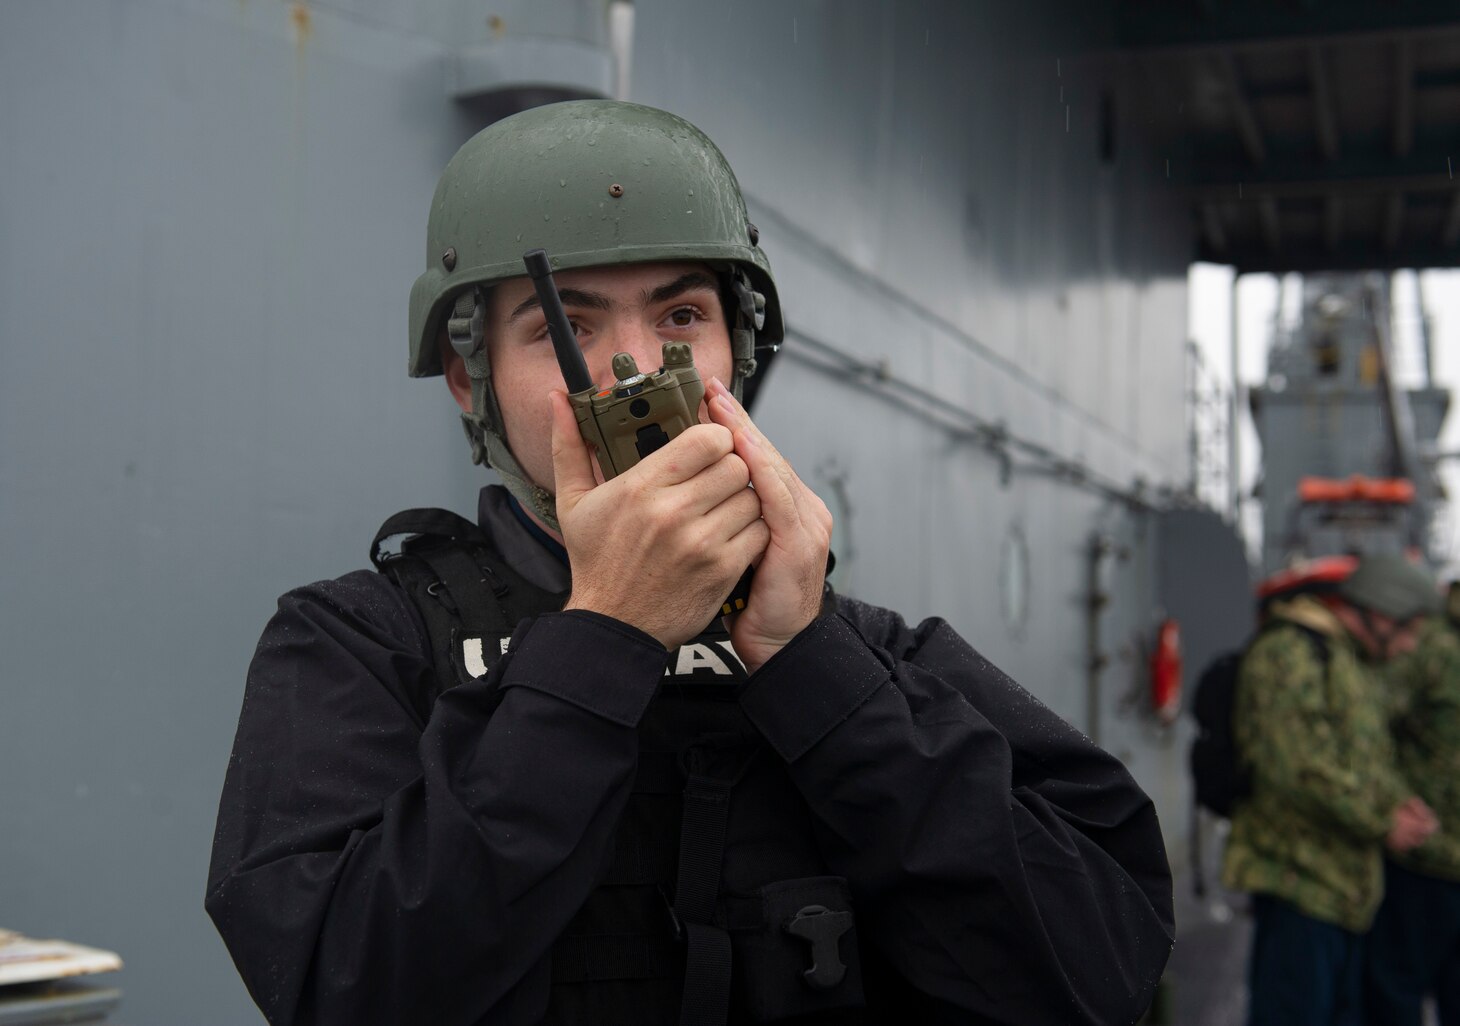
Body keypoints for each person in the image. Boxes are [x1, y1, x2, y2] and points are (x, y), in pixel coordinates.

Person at [205, 99, 1174, 1026]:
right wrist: (602, 643)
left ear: (736, 351)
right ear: (471, 379)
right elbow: (346, 989)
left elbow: (1097, 973)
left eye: (679, 319)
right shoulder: (360, 646)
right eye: (564, 329)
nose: (632, 372)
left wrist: (814, 669)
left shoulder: (866, 652)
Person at [1222, 553, 1440, 1026]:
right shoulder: (1288, 651)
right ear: (1381, 611)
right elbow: (1298, 767)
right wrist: (1385, 821)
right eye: (1408, 630)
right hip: (1299, 886)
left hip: (1345, 892)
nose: (1409, 646)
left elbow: (1362, 756)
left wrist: (1399, 802)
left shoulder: (1344, 657)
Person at [1365, 580, 1460, 1026]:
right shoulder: (1431, 645)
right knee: (1395, 995)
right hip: (1426, 860)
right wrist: (1394, 804)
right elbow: (1367, 726)